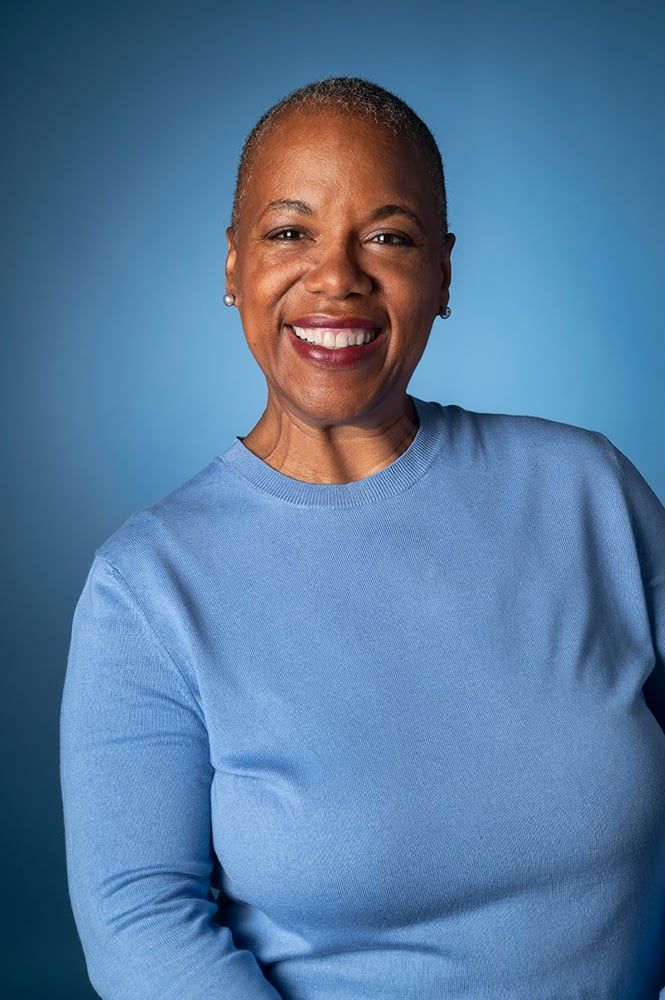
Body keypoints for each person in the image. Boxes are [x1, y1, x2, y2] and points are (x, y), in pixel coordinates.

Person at [60, 76, 665, 999]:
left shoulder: (587, 492)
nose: (337, 277)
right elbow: (140, 924)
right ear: (233, 267)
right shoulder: (147, 587)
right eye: (289, 233)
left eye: (387, 237)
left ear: (443, 275)